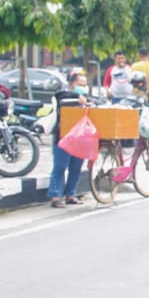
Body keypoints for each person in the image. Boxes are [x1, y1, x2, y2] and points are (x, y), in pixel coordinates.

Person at [48, 69, 89, 208]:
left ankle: (70, 194)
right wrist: (77, 97)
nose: (82, 87)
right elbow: (61, 97)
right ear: (72, 83)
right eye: (79, 84)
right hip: (63, 136)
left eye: (84, 85)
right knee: (60, 167)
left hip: (80, 138)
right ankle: (55, 196)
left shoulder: (85, 98)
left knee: (76, 167)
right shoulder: (63, 94)